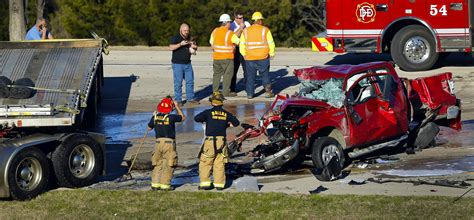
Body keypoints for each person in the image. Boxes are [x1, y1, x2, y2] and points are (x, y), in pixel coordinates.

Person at [194, 92, 240, 190]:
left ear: (212, 102)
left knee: (205, 162)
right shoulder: (226, 113)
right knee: (219, 162)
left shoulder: (207, 113)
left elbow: (196, 118)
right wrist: (227, 125)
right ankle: (219, 184)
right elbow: (236, 122)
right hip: (221, 141)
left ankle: (205, 184)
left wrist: (206, 120)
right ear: (222, 102)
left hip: (210, 140)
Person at [147, 96, 186, 190]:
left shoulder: (155, 117)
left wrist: (154, 117)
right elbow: (183, 118)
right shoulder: (171, 117)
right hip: (169, 143)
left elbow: (149, 128)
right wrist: (177, 107)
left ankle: (155, 184)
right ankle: (165, 185)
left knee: (157, 164)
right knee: (169, 163)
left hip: (158, 143)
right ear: (170, 108)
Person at [239, 11, 276, 99]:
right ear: (259, 20)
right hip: (263, 57)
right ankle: (268, 92)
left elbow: (242, 44)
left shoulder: (246, 31)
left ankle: (250, 94)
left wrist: (244, 54)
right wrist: (271, 53)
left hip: (250, 57)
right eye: (261, 20)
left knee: (250, 77)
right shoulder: (265, 30)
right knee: (265, 75)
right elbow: (271, 43)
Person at [209, 14, 240, 97]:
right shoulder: (230, 33)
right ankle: (226, 92)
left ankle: (215, 92)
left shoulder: (215, 31)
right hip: (227, 58)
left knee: (216, 74)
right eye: (229, 22)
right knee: (227, 74)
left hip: (216, 57)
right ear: (226, 22)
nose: (230, 24)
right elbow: (238, 42)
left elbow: (211, 43)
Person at [169, 23, 199, 106]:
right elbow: (171, 47)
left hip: (188, 63)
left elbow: (195, 47)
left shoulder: (190, 37)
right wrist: (180, 44)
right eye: (185, 30)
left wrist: (194, 47)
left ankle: (190, 98)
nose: (186, 32)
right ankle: (178, 100)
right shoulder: (176, 37)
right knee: (178, 82)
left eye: (187, 30)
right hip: (177, 63)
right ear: (180, 30)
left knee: (190, 81)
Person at [229, 11, 250, 95]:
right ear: (235, 18)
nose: (242, 19)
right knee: (233, 69)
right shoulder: (231, 25)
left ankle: (248, 88)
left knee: (247, 70)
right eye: (240, 18)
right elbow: (231, 37)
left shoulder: (247, 24)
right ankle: (232, 89)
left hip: (244, 49)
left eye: (242, 17)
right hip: (235, 49)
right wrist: (240, 29)